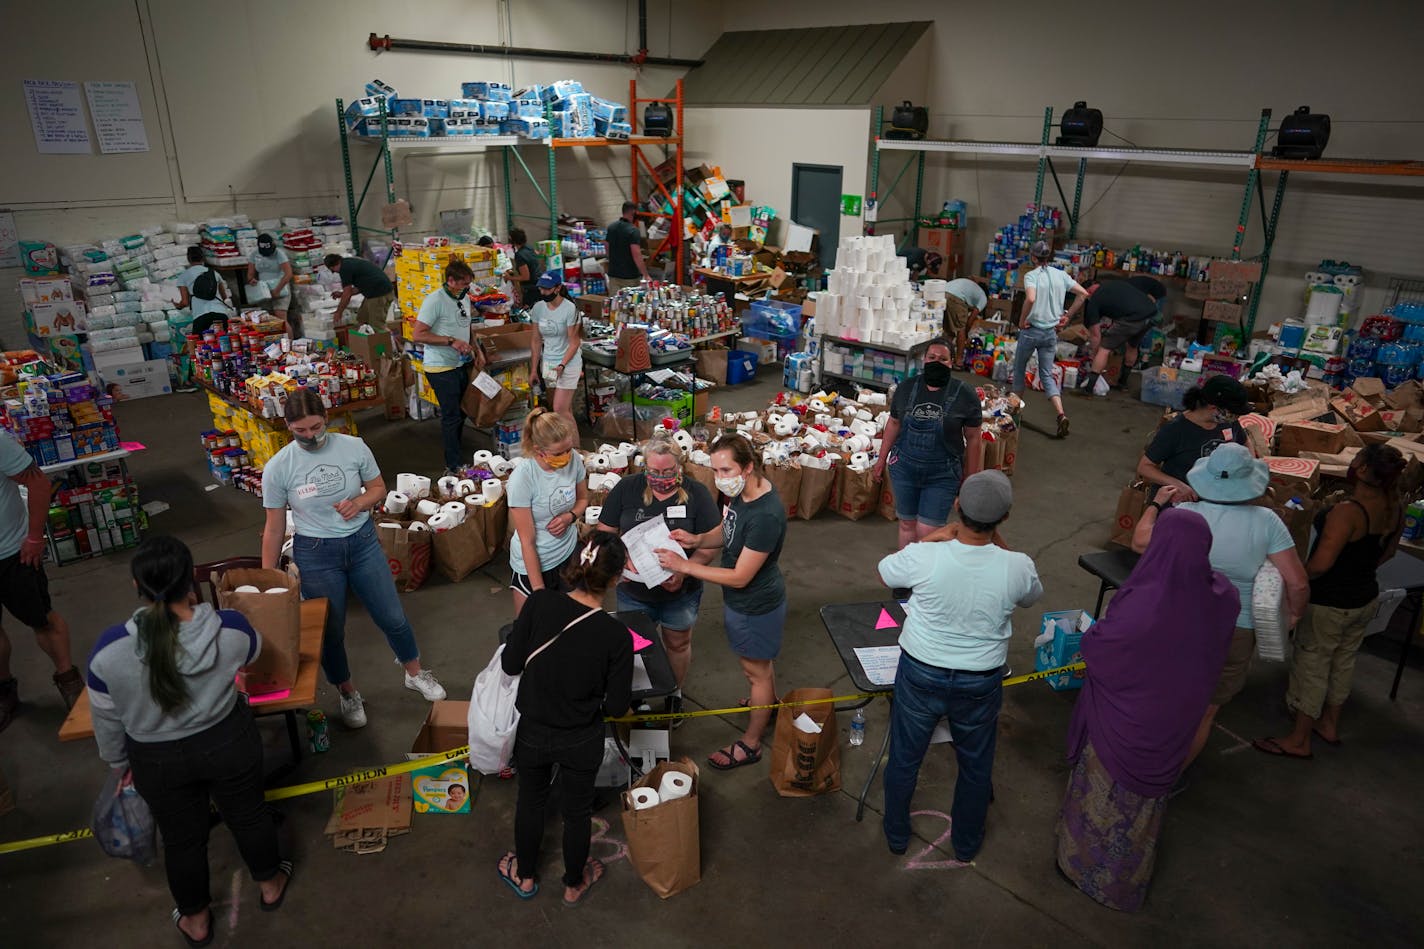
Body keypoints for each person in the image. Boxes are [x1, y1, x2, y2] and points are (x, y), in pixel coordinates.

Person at [87, 535, 291, 947]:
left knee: (182, 839)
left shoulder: (108, 651)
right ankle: (270, 884)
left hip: (156, 760)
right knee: (249, 814)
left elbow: (106, 720)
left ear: (136, 586)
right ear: (190, 582)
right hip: (227, 741)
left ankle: (196, 920)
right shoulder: (230, 629)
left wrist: (118, 764)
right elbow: (252, 655)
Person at [1057, 508, 1238, 912]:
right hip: (1175, 720)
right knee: (1139, 814)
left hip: (1125, 722)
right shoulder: (1224, 596)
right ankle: (1124, 882)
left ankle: (1082, 869)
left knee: (1101, 802)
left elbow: (1099, 650)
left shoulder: (1144, 604)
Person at [877, 470, 1042, 863]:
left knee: (905, 757)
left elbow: (886, 571)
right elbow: (1031, 595)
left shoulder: (926, 555)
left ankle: (897, 834)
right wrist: (996, 542)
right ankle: (966, 844)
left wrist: (935, 536)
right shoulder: (1016, 565)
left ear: (956, 506)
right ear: (1005, 517)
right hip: (980, 680)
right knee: (975, 764)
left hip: (921, 672)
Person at [260, 389, 445, 729]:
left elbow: (377, 488)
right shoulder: (278, 468)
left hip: (362, 544)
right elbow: (273, 528)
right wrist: (267, 579)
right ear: (287, 426)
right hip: (316, 553)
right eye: (299, 430)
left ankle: (414, 673)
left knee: (392, 616)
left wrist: (359, 503)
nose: (310, 437)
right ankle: (347, 691)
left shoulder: (354, 447)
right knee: (331, 632)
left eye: (315, 428)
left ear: (326, 418)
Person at [1132, 443, 1309, 772]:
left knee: (1167, 695)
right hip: (1236, 629)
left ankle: (1141, 764)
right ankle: (1169, 777)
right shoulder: (1268, 522)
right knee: (1205, 711)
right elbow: (1297, 583)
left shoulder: (1185, 515)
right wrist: (1294, 615)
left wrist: (1156, 505)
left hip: (1179, 621)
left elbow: (1140, 541)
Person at [498, 533, 632, 905]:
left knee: (531, 800)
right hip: (581, 737)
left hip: (534, 731)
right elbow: (618, 706)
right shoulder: (615, 636)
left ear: (577, 564)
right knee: (576, 810)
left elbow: (510, 664)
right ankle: (574, 883)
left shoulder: (539, 603)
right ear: (616, 578)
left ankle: (525, 877)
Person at [1255, 444, 1406, 759]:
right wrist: (1358, 571)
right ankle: (1329, 725)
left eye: (1357, 459)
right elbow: (1388, 553)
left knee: (1312, 666)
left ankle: (1298, 740)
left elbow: (1321, 565)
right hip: (1364, 598)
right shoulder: (1394, 506)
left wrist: (1293, 581)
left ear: (1364, 470)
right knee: (1342, 663)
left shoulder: (1347, 513)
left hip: (1330, 604)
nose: (1353, 462)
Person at [655, 433, 787, 770]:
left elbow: (741, 576)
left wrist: (685, 566)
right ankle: (766, 703)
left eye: (726, 470)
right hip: (743, 601)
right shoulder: (744, 492)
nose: (720, 479)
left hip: (753, 604)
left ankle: (752, 742)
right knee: (759, 669)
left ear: (748, 466)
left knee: (755, 671)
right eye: (715, 471)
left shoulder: (765, 515)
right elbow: (728, 532)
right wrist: (699, 538)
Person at [597, 431, 721, 718]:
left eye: (668, 471)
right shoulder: (627, 489)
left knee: (678, 642)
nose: (661, 477)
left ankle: (673, 691)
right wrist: (621, 561)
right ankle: (640, 693)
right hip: (633, 590)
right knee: (637, 645)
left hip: (682, 591)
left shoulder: (697, 493)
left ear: (680, 467)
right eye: (654, 471)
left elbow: (713, 539)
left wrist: (685, 571)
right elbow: (604, 532)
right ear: (644, 467)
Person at [0, 429, 82, 732]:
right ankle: (5, 689)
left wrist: (35, 537)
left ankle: (69, 680)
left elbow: (38, 483)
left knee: (42, 619)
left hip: (12, 553)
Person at [874, 338, 985, 550]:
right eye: (932, 357)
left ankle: (925, 580)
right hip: (904, 468)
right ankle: (906, 577)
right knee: (906, 524)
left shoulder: (965, 395)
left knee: (928, 531)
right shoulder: (906, 389)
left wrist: (970, 479)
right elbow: (894, 423)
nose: (937, 362)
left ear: (952, 363)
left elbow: (973, 439)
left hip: (942, 473)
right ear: (924, 360)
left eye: (943, 359)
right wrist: (881, 460)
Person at [508, 407, 589, 614]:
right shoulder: (523, 478)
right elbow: (527, 541)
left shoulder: (575, 461)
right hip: (534, 563)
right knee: (534, 628)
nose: (567, 457)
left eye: (569, 449)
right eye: (558, 453)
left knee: (571, 622)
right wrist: (538, 591)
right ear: (538, 450)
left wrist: (570, 517)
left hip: (567, 553)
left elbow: (582, 499)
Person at [409, 260, 485, 475]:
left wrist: (477, 351)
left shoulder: (464, 297)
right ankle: (452, 466)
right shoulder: (434, 301)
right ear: (450, 281)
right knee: (451, 416)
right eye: (462, 284)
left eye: (468, 285)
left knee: (461, 413)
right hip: (441, 368)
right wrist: (451, 341)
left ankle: (457, 452)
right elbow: (418, 334)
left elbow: (467, 326)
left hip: (462, 363)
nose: (466, 288)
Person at [1012, 240, 1089, 439]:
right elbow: (1083, 294)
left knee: (1019, 371)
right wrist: (1067, 316)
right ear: (1049, 257)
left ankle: (1014, 417)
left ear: (1033, 257)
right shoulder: (1061, 275)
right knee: (1046, 375)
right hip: (1050, 333)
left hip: (1031, 331)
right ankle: (1061, 414)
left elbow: (1030, 298)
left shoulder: (1031, 276)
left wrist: (1021, 321)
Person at [1137, 375, 1253, 499]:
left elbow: (1245, 442)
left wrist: (1249, 467)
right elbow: (1145, 467)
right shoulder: (1176, 430)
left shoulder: (1229, 422)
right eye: (1233, 412)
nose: (1236, 417)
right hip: (1180, 502)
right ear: (1213, 407)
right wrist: (1179, 486)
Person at [1078, 276, 1167, 394]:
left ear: (1088, 292)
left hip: (1133, 318)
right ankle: (1122, 383)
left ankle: (1089, 388)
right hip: (1151, 316)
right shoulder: (1114, 283)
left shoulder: (1094, 300)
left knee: (1104, 349)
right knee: (1132, 346)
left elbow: (1095, 336)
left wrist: (1094, 354)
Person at [528, 272, 582, 431]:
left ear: (558, 288)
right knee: (559, 409)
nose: (543, 292)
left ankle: (577, 450)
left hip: (568, 363)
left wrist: (562, 365)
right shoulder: (538, 308)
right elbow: (536, 340)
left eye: (547, 289)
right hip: (549, 364)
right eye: (541, 289)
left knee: (560, 409)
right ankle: (567, 448)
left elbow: (575, 342)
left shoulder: (569, 308)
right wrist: (533, 369)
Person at [324, 253, 394, 331]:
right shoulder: (348, 263)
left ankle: (391, 341)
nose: (336, 272)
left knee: (377, 326)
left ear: (333, 266)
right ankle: (361, 341)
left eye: (333, 271)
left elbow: (347, 294)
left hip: (379, 294)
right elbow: (360, 287)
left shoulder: (345, 269)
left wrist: (339, 312)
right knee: (362, 319)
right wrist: (342, 294)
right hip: (375, 292)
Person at [177, 245, 232, 337]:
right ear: (202, 258)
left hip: (200, 315)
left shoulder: (184, 276)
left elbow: (185, 302)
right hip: (220, 313)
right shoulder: (214, 273)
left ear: (188, 259)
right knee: (224, 342)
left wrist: (178, 306)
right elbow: (224, 297)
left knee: (200, 346)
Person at [247, 234, 295, 336]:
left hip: (281, 288)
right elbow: (250, 274)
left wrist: (277, 290)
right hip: (264, 291)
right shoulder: (254, 255)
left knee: (280, 318)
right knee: (267, 318)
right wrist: (252, 280)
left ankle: (289, 344)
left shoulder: (279, 254)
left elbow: (288, 274)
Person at [943, 277, 988, 364]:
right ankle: (959, 361)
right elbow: (971, 319)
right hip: (956, 297)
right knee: (961, 329)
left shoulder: (973, 288)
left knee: (948, 330)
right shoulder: (984, 298)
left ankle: (944, 357)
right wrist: (966, 335)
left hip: (942, 292)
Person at [606, 201, 649, 293]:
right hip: (629, 276)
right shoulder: (633, 231)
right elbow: (636, 254)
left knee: (615, 304)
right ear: (633, 212)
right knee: (630, 305)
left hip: (613, 274)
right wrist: (646, 275)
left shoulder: (611, 227)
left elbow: (607, 247)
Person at [503, 228, 543, 307]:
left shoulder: (520, 255)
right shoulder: (529, 247)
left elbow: (525, 277)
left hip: (531, 288)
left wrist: (509, 277)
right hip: (539, 283)